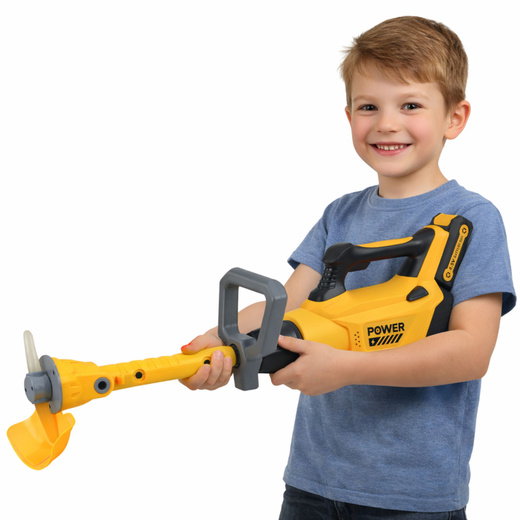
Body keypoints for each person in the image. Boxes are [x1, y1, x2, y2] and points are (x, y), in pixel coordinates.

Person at [179, 16, 516, 519]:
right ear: (348, 115)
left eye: (410, 105)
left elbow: (471, 352)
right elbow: (286, 305)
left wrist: (346, 368)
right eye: (368, 106)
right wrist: (216, 339)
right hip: (312, 482)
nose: (386, 123)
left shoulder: (472, 218)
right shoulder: (340, 214)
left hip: (411, 496)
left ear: (455, 117)